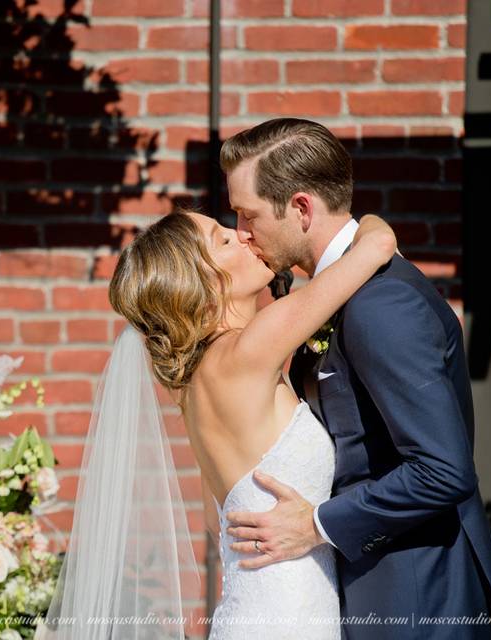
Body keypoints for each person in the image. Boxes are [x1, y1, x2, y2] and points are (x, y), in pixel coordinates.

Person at [220, 118, 491, 639]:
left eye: (248, 216)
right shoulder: (340, 289)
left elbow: (443, 470)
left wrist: (316, 524)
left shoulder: (381, 304)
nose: (243, 233)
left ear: (300, 208)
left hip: (417, 597)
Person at [42, 203, 396, 639]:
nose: (243, 235)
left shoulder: (193, 383)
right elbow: (378, 244)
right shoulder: (248, 350)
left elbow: (218, 523)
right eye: (223, 239)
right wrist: (362, 220)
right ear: (204, 283)